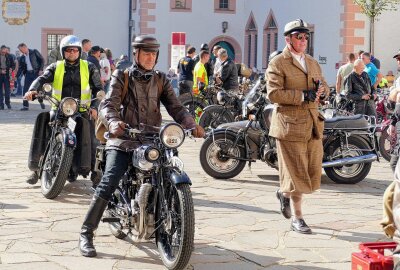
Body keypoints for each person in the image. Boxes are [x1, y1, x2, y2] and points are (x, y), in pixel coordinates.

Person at [78, 35, 205, 257]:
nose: (150, 57)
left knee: (169, 168)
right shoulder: (122, 75)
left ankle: (169, 221)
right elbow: (109, 104)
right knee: (109, 181)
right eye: (146, 53)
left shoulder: (161, 79)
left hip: (152, 139)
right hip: (124, 139)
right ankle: (86, 233)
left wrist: (191, 124)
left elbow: (176, 108)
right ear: (136, 54)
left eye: (153, 53)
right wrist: (115, 121)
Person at [266, 19, 328, 234]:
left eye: (305, 36)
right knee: (296, 173)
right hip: (289, 125)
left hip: (312, 124)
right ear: (288, 39)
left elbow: (323, 85)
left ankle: (283, 193)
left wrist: (323, 93)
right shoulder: (278, 63)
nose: (303, 40)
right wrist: (302, 95)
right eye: (298, 37)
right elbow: (273, 93)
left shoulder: (311, 62)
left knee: (311, 171)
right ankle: (298, 218)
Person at [23, 35, 103, 186]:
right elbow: (42, 79)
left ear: (79, 51)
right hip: (59, 108)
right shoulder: (56, 66)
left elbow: (99, 88)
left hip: (82, 109)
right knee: (44, 124)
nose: (71, 53)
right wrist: (32, 90)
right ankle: (36, 168)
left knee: (91, 134)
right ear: (63, 51)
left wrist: (95, 106)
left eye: (74, 50)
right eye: (68, 50)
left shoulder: (89, 67)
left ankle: (95, 170)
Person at [16, 43, 45, 111]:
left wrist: (41, 70)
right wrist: (16, 76)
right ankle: (25, 106)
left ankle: (40, 101)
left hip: (36, 73)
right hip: (28, 74)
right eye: (20, 50)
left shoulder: (34, 52)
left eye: (21, 49)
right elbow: (21, 68)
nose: (21, 51)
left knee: (38, 89)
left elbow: (42, 60)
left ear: (25, 47)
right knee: (25, 90)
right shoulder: (22, 57)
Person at [0, 45, 16, 110]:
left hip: (7, 75)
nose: (4, 53)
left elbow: (13, 65)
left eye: (5, 52)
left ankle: (7, 103)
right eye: (3, 52)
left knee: (7, 90)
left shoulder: (9, 56)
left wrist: (11, 69)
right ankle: (1, 105)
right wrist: (1, 71)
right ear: (0, 50)